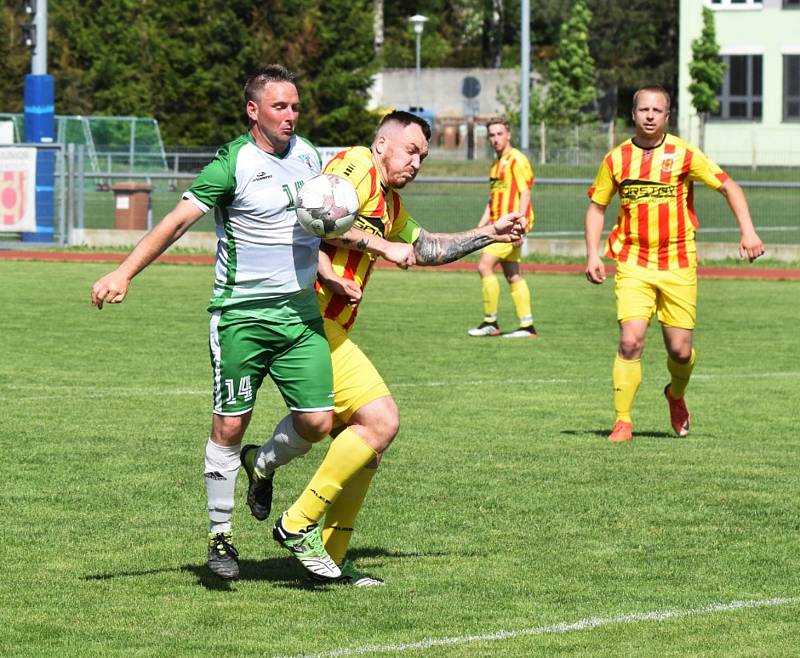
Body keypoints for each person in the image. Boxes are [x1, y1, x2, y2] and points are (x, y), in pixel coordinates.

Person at [89, 65, 410, 581]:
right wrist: (124, 272)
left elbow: (325, 224)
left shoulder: (309, 157)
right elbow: (175, 222)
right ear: (254, 111)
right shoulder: (232, 163)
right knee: (229, 425)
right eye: (280, 106)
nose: (291, 115)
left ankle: (262, 465)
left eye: (296, 106)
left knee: (317, 422)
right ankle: (221, 536)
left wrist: (332, 270)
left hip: (301, 316)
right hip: (241, 317)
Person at [239, 110, 525, 585]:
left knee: (362, 446)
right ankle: (298, 523)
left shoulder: (391, 205)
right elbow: (317, 214)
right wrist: (380, 246)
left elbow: (426, 247)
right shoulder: (356, 167)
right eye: (411, 151)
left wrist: (487, 234)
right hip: (306, 320)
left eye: (423, 157)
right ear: (382, 144)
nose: (417, 163)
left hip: (329, 327)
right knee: (382, 419)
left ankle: (329, 553)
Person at [584, 85, 764, 443]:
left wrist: (748, 231)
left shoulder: (683, 154)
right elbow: (597, 206)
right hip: (633, 261)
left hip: (679, 264)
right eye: (643, 110)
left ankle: (676, 396)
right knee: (631, 341)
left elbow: (730, 186)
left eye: (657, 110)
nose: (650, 116)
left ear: (667, 116)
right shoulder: (616, 159)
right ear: (632, 115)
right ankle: (623, 421)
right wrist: (592, 252)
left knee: (680, 351)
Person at [467, 116, 537, 338]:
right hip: (498, 226)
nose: (495, 139)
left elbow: (525, 193)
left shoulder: (517, 159)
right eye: (491, 135)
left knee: (484, 267)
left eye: (499, 134)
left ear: (508, 135)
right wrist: (479, 227)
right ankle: (527, 326)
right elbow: (493, 199)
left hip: (510, 228)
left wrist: (521, 225)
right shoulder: (495, 165)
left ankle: (491, 322)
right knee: (512, 275)